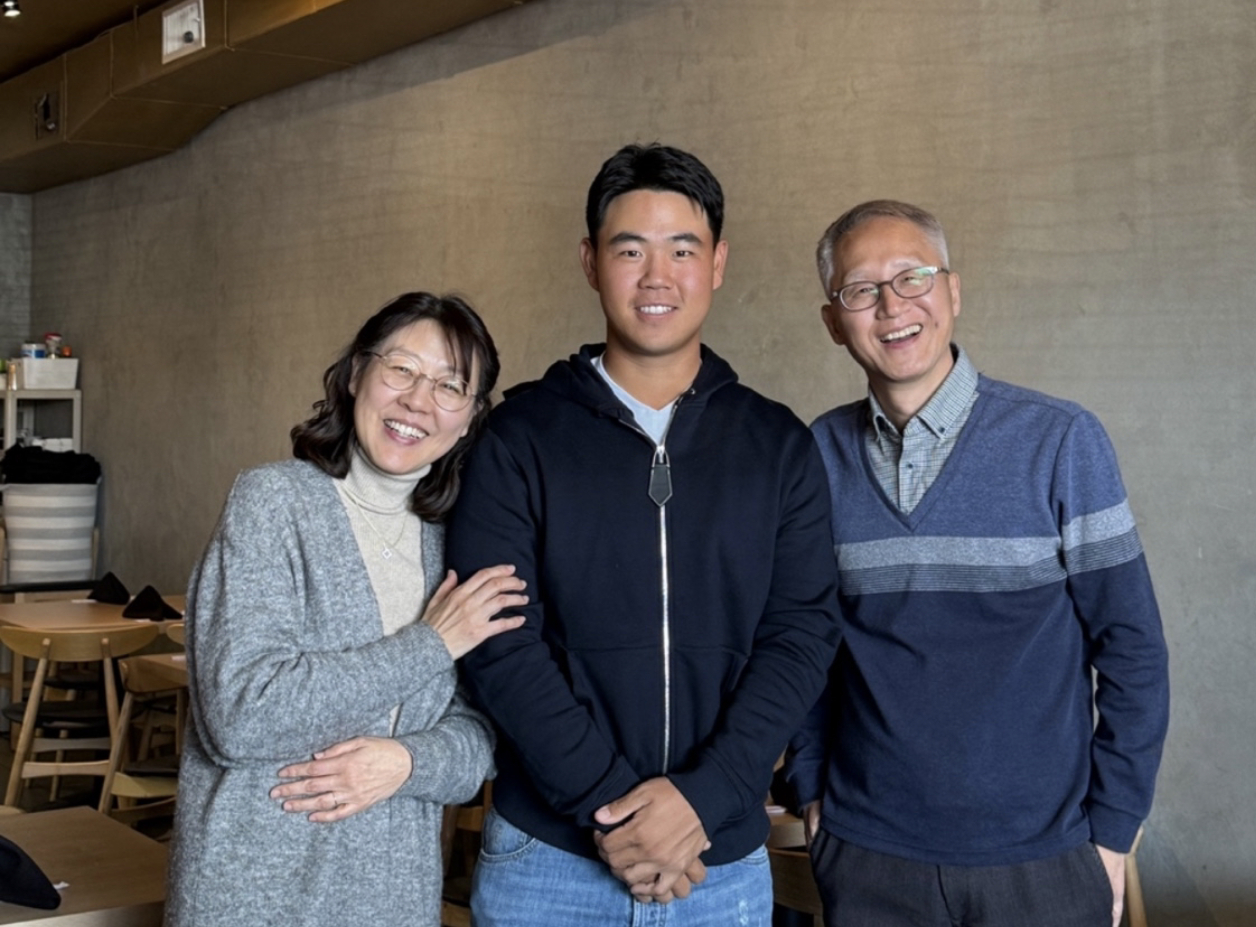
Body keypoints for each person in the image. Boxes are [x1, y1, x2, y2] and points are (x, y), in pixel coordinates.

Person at [445, 143, 842, 926]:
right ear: (591, 262)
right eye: (630, 249)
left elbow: (800, 634)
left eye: (682, 249)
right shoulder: (518, 436)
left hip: (718, 865)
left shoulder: (779, 445)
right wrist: (615, 814)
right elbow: (498, 642)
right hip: (548, 863)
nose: (656, 276)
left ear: (718, 262)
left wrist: (703, 799)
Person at [785, 200, 1170, 927]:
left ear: (953, 292)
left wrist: (1112, 832)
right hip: (868, 856)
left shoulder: (1060, 442)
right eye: (860, 290)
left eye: (912, 277)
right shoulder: (818, 456)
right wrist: (812, 790)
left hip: (1042, 861)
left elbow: (1134, 648)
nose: (891, 306)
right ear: (835, 321)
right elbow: (810, 645)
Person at [165, 292, 529, 927]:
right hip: (255, 895)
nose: (419, 401)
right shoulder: (273, 504)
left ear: (470, 418)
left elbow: (478, 737)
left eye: (450, 386)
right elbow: (241, 714)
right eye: (402, 369)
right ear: (358, 373)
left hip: (391, 898)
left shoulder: (454, 540)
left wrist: (407, 761)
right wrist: (430, 644)